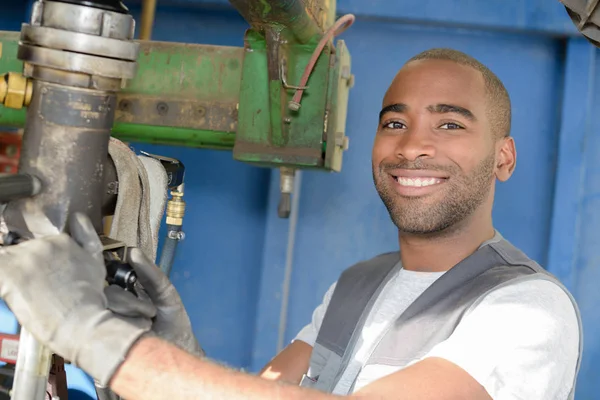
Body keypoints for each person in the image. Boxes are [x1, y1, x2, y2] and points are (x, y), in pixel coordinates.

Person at [0, 48, 581, 400]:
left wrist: (99, 338)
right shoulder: (357, 285)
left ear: (503, 157)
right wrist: (174, 349)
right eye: (395, 123)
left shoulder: (528, 309)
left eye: (450, 125)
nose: (413, 147)